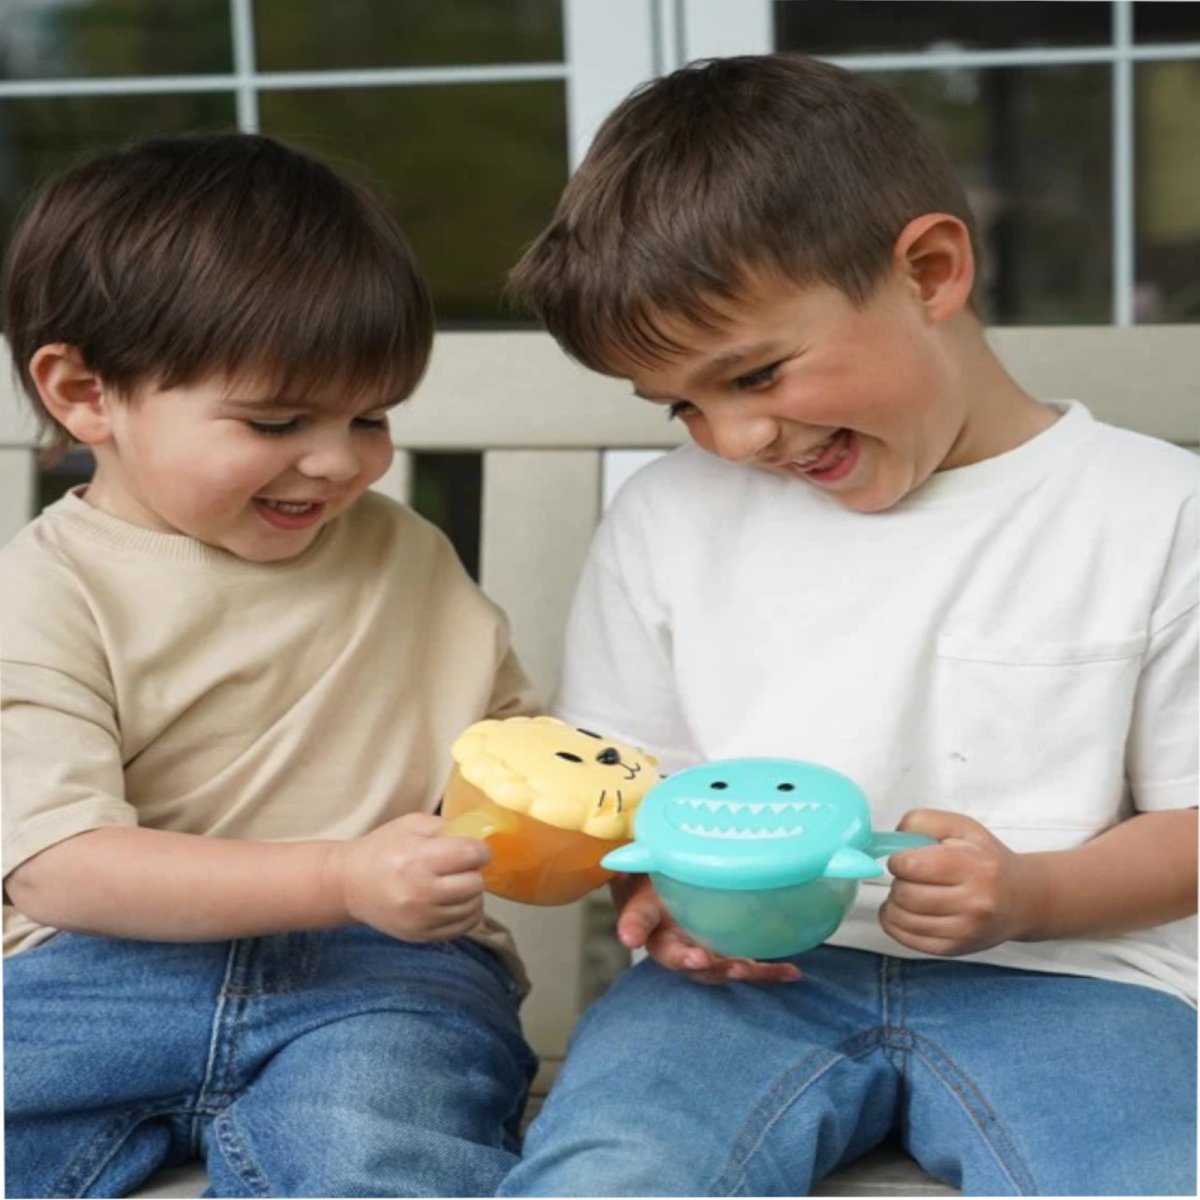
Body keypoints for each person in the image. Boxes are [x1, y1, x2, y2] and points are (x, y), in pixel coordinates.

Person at [497, 54, 1198, 1197]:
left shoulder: (1154, 512)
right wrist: (657, 898)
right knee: (609, 1174)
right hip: (745, 989)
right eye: (682, 405)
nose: (731, 440)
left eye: (759, 373)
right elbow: (634, 790)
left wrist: (1031, 894)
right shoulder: (671, 519)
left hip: (1081, 979)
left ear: (930, 271)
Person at [1, 132, 538, 1199]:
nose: (341, 460)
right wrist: (340, 874)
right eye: (277, 420)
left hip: (381, 979)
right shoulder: (45, 589)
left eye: (371, 416)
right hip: (88, 979)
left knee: (376, 1147)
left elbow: (515, 750)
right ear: (84, 392)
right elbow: (56, 864)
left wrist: (616, 833)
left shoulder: (406, 556)